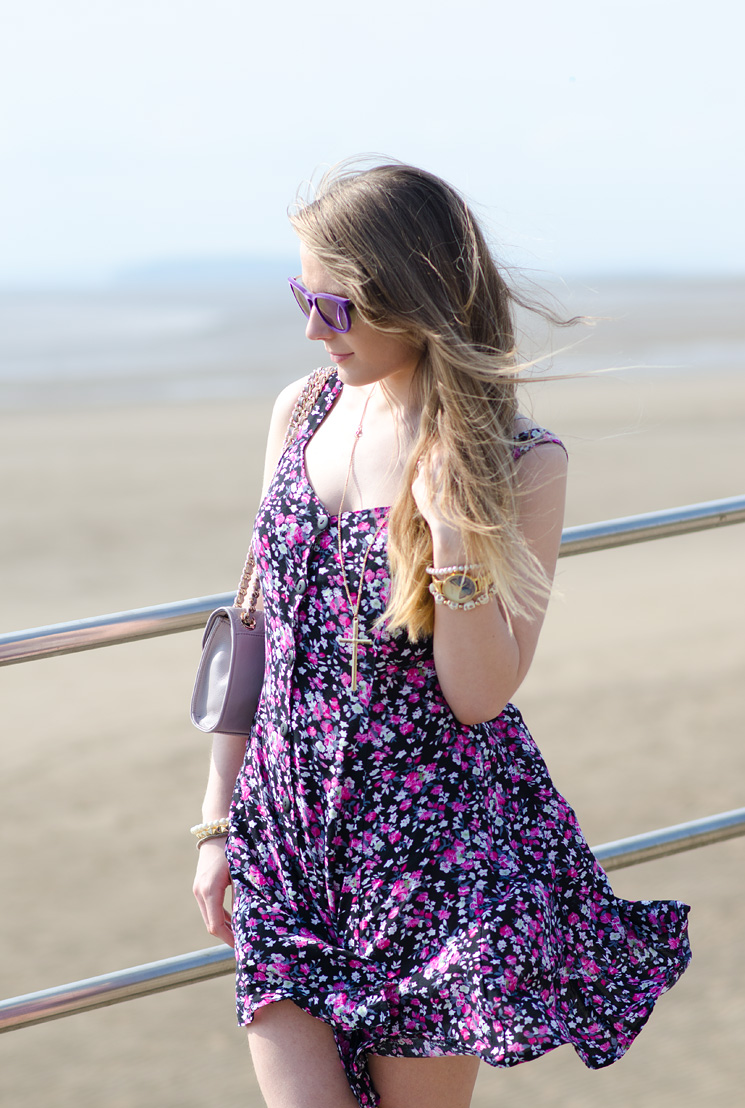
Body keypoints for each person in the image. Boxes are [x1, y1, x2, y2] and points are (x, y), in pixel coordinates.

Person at [192, 161, 690, 1108]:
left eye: (334, 307)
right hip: (286, 829)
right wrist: (217, 818)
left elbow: (478, 694)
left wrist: (452, 534)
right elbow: (253, 625)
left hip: (428, 856)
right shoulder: (299, 412)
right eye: (303, 298)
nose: (310, 328)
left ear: (410, 298)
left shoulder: (523, 462)